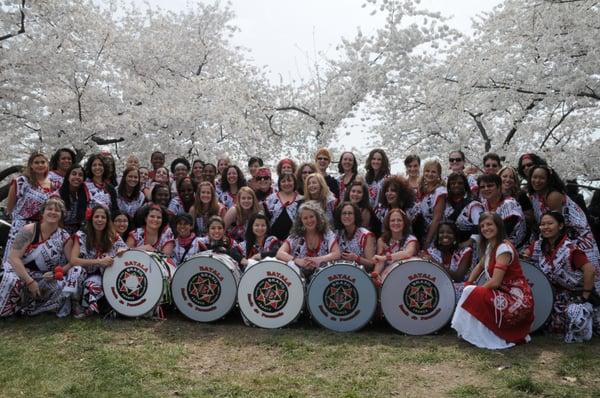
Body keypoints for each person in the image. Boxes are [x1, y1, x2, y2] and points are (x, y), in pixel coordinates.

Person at [451, 212, 534, 350]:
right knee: (468, 289)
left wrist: (474, 292)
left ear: (498, 226)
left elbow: (495, 282)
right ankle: (468, 333)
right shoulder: (491, 246)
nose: (485, 228)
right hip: (502, 294)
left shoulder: (503, 248)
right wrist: (469, 282)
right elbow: (478, 267)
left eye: (489, 224)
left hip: (516, 300)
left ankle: (473, 334)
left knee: (471, 292)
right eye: (482, 226)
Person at [525, 211, 600, 342]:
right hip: (551, 295)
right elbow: (524, 259)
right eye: (542, 224)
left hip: (574, 295)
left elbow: (590, 270)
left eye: (550, 223)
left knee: (574, 316)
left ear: (560, 226)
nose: (545, 227)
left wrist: (584, 297)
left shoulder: (571, 249)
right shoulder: (538, 246)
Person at [0, 198, 72, 317]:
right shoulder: (28, 230)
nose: (53, 212)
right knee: (12, 281)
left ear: (61, 215)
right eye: (49, 209)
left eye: (57, 210)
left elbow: (71, 261)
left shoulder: (64, 236)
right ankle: (7, 312)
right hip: (18, 272)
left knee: (61, 286)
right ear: (42, 212)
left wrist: (57, 272)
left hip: (42, 275)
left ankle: (30, 310)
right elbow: (14, 258)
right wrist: (30, 281)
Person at [527, 165, 599, 265]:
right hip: (555, 232)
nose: (537, 181)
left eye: (542, 178)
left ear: (548, 180)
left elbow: (556, 223)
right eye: (534, 177)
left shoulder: (553, 196)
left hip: (575, 235)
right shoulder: (535, 196)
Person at [65, 205, 128, 317]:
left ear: (107, 220)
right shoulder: (82, 235)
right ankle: (75, 304)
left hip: (102, 276)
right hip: (83, 273)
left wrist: (122, 250)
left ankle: (91, 306)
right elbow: (73, 260)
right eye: (96, 217)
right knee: (76, 270)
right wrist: (98, 262)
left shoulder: (113, 235)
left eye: (103, 217)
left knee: (92, 286)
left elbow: (125, 249)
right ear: (91, 219)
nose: (100, 220)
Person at [4, 151, 56, 262]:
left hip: (39, 227)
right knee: (14, 258)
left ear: (47, 164)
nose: (40, 165)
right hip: (21, 225)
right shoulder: (21, 181)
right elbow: (10, 207)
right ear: (31, 165)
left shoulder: (51, 184)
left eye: (43, 162)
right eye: (36, 162)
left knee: (30, 259)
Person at [276, 200, 341, 277]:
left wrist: (318, 260)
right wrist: (298, 261)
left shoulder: (327, 233)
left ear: (317, 217)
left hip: (323, 277)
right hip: (299, 278)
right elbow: (279, 253)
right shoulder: (296, 235)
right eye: (305, 218)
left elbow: (337, 254)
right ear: (301, 221)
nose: (309, 220)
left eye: (311, 216)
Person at [424, 222, 473, 299]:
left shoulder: (465, 252)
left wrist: (435, 263)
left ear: (455, 236)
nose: (445, 235)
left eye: (449, 232)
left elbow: (458, 277)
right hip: (437, 287)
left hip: (461, 290)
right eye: (441, 232)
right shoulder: (431, 252)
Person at [478, 173, 527, 249]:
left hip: (513, 248)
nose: (486, 189)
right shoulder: (483, 204)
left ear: (499, 187)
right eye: (482, 187)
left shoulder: (510, 204)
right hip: (492, 244)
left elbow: (503, 232)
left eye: (490, 185)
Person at [372, 209, 418, 283]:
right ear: (388, 223)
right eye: (392, 220)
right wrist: (376, 273)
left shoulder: (411, 239)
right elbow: (380, 261)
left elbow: (407, 253)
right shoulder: (382, 240)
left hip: (408, 277)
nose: (396, 223)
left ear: (404, 223)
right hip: (388, 278)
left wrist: (385, 257)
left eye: (399, 220)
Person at [334, 202, 376, 270]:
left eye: (350, 213)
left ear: (355, 216)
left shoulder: (366, 235)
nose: (347, 216)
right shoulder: (337, 234)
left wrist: (356, 258)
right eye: (344, 213)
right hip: (341, 274)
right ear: (340, 216)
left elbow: (372, 264)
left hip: (361, 275)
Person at [417, 160, 447, 249]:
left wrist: (428, 241)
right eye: (427, 171)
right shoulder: (424, 190)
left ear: (439, 174)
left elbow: (437, 219)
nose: (430, 174)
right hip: (423, 231)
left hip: (435, 234)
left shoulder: (440, 191)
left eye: (433, 172)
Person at [445, 172, 481, 243]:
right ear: (449, 186)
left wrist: (467, 243)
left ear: (465, 184)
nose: (456, 185)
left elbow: (479, 226)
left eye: (460, 183)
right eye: (453, 183)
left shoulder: (473, 202)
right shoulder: (445, 202)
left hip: (469, 243)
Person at [54, 164, 89, 234]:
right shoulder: (57, 196)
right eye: (74, 174)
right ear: (68, 177)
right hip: (59, 231)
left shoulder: (85, 195)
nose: (77, 177)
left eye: (80, 175)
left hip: (79, 232)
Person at [264, 173, 300, 240]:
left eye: (289, 181)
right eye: (283, 181)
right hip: (272, 239)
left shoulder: (301, 199)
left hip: (293, 239)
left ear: (294, 182)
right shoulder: (271, 199)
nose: (286, 183)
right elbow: (265, 219)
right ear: (279, 184)